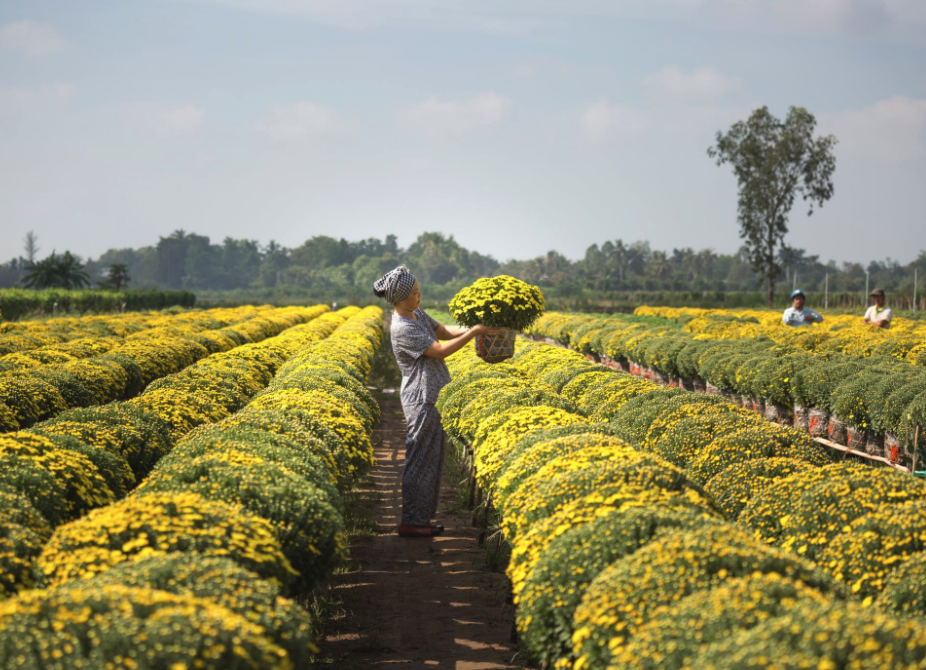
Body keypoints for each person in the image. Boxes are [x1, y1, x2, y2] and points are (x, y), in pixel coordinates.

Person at [373, 266, 497, 537]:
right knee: (420, 459)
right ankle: (412, 523)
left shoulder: (416, 314)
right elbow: (439, 351)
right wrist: (475, 332)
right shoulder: (403, 327)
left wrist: (476, 329)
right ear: (400, 298)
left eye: (419, 291)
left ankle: (421, 519)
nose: (420, 296)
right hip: (421, 398)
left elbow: (443, 332)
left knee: (431, 460)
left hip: (432, 395)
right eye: (415, 293)